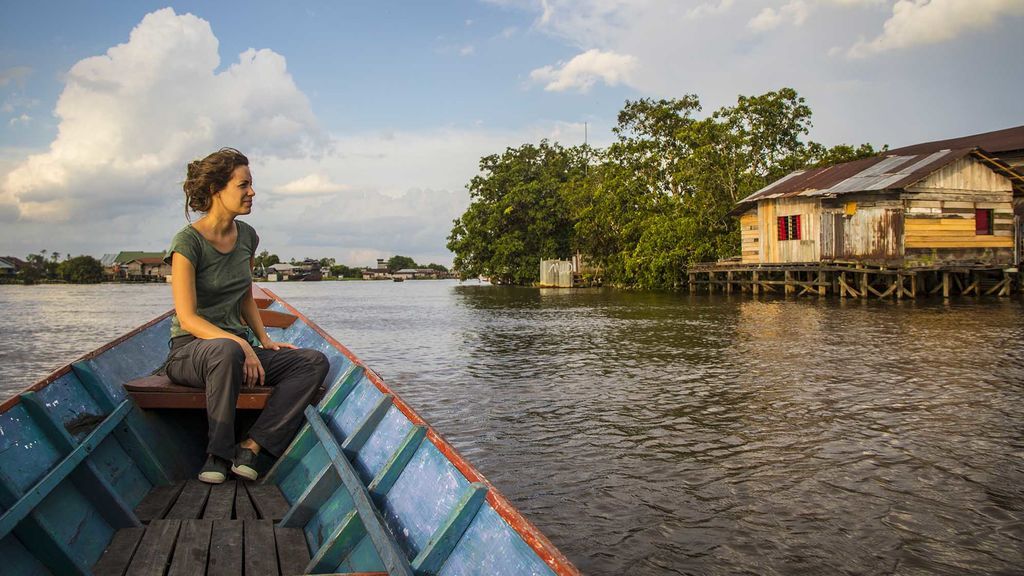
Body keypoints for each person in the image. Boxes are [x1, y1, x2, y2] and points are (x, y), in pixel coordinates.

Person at [161, 148, 328, 484]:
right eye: (243, 185)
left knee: (312, 362)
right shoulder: (187, 242)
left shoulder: (248, 237)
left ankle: (252, 445)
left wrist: (264, 339)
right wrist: (243, 344)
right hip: (190, 351)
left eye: (251, 185)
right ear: (215, 191)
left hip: (237, 349)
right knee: (226, 351)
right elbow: (188, 317)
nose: (252, 192)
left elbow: (245, 295)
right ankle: (217, 454)